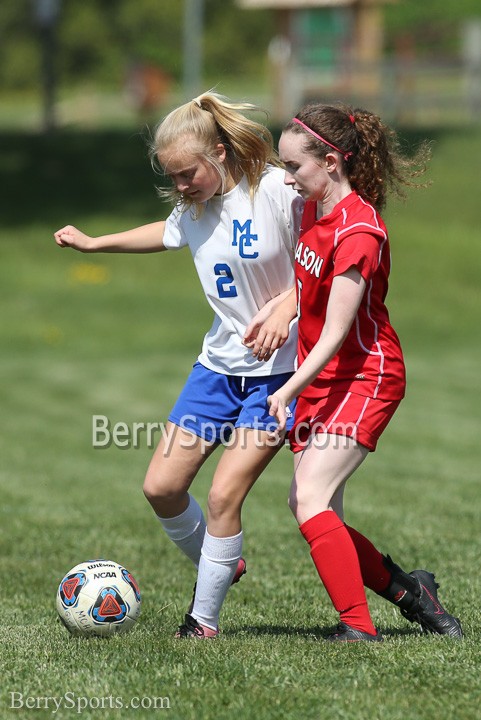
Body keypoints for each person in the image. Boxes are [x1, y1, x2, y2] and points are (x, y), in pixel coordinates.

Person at [54, 92, 303, 639]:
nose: (182, 186)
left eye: (188, 173)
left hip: (279, 375)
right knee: (161, 487)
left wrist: (288, 307)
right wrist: (95, 244)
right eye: (173, 178)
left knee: (221, 496)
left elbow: (327, 265)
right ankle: (223, 563)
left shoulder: (280, 192)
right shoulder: (192, 208)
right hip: (216, 369)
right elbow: (163, 232)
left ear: (219, 152)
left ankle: (203, 623)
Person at [258, 102, 463, 641]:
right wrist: (280, 307)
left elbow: (337, 332)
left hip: (366, 375)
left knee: (308, 499)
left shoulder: (359, 231)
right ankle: (412, 594)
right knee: (314, 507)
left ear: (330, 161)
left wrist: (287, 389)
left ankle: (358, 628)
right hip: (324, 376)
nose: (287, 177)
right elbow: (309, 295)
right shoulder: (312, 208)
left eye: (294, 167)